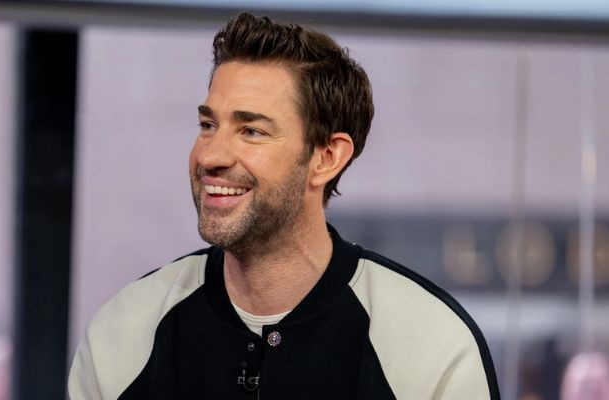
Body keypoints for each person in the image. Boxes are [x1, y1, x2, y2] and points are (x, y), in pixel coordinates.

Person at [68, 12, 499, 399]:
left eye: (251, 131)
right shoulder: (124, 332)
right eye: (208, 124)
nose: (210, 156)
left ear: (326, 158)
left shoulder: (434, 346)